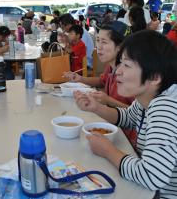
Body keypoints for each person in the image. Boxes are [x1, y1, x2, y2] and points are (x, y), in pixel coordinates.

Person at [74, 30, 177, 199]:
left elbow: (152, 176)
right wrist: (95, 108)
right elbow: (128, 117)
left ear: (154, 77)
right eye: (120, 63)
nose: (118, 71)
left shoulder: (166, 106)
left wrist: (108, 150)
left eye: (127, 65)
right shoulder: (148, 97)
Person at [64, 21, 136, 146]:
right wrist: (80, 79)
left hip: (126, 139)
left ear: (120, 46)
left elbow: (137, 115)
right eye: (97, 41)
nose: (99, 47)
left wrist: (107, 100)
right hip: (112, 126)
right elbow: (101, 80)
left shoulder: (130, 74)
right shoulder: (111, 66)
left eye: (104, 42)